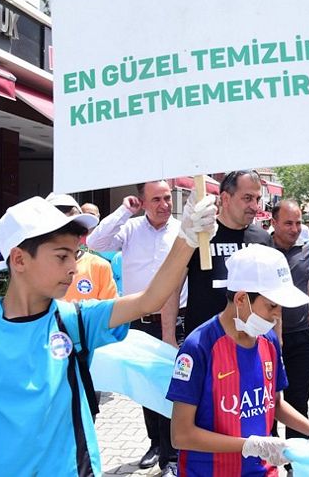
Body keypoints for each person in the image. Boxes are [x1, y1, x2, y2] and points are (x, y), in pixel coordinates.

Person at [0, 193, 217, 476]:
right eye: (61, 256)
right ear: (19, 260)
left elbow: (150, 299)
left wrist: (187, 237)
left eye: (75, 254)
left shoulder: (75, 320)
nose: (73, 268)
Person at [167, 244, 309, 476]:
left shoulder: (268, 339)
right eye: (272, 306)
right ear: (241, 299)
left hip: (262, 471)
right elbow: (181, 435)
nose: (278, 314)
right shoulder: (198, 347)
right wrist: (248, 445)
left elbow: (275, 404)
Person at [86, 180, 187, 473]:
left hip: (176, 321)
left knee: (172, 385)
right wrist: (123, 211)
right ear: (142, 202)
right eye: (156, 199)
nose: (164, 205)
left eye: (167, 198)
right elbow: (95, 243)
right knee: (144, 383)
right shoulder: (130, 229)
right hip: (140, 322)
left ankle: (172, 455)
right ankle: (155, 443)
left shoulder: (182, 233)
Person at [184, 170, 272, 336]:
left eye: (257, 199)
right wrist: (169, 337)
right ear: (225, 198)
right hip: (206, 341)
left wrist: (276, 337)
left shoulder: (263, 239)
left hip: (251, 340)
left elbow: (273, 292)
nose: (255, 206)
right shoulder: (200, 235)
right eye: (247, 198)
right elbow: (174, 288)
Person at [269, 200, 309, 442]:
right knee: (266, 403)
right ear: (274, 223)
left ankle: (296, 461)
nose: (294, 228)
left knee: (298, 401)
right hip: (264, 340)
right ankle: (266, 459)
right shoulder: (261, 248)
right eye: (288, 223)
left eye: (298, 223)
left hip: (301, 339)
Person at [47, 193, 118, 303]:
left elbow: (111, 313)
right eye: (62, 227)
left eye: (77, 229)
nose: (72, 234)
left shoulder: (99, 266)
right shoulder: (29, 266)